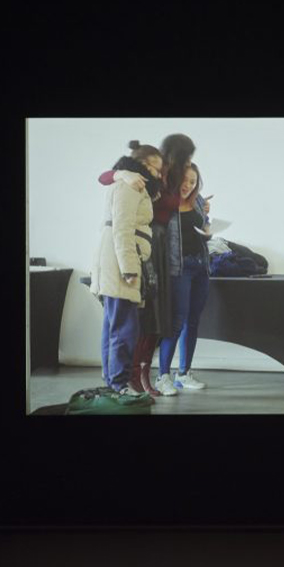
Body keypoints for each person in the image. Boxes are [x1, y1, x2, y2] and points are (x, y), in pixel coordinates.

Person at [98, 133, 203, 396]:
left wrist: (200, 205)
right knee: (132, 321)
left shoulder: (168, 178)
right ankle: (123, 380)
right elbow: (105, 178)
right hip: (145, 247)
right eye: (186, 157)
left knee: (147, 319)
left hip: (154, 246)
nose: (188, 163)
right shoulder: (143, 176)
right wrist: (121, 174)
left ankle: (131, 378)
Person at [90, 142, 162, 393]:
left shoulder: (130, 184)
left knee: (115, 325)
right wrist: (130, 269)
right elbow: (122, 229)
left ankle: (113, 383)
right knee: (124, 328)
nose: (158, 174)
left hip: (117, 262)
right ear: (142, 164)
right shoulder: (130, 185)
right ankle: (119, 385)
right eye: (155, 168)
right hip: (121, 264)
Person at [159, 163, 211, 390]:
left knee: (193, 320)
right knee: (176, 321)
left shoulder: (198, 201)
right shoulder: (164, 203)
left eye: (193, 181)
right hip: (178, 268)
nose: (188, 185)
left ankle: (183, 373)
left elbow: (204, 227)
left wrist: (208, 227)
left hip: (201, 266)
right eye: (184, 180)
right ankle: (162, 377)